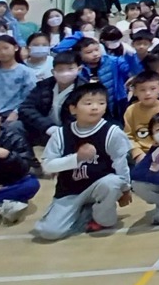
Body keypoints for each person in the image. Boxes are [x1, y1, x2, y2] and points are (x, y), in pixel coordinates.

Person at [33, 81, 131, 240]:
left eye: (101, 103)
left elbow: (121, 163)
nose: (95, 107)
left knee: (112, 184)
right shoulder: (61, 134)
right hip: (69, 191)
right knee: (49, 233)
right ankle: (85, 212)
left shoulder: (112, 132)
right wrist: (77, 158)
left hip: (100, 187)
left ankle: (100, 217)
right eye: (88, 103)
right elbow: (48, 166)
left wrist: (125, 188)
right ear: (73, 109)